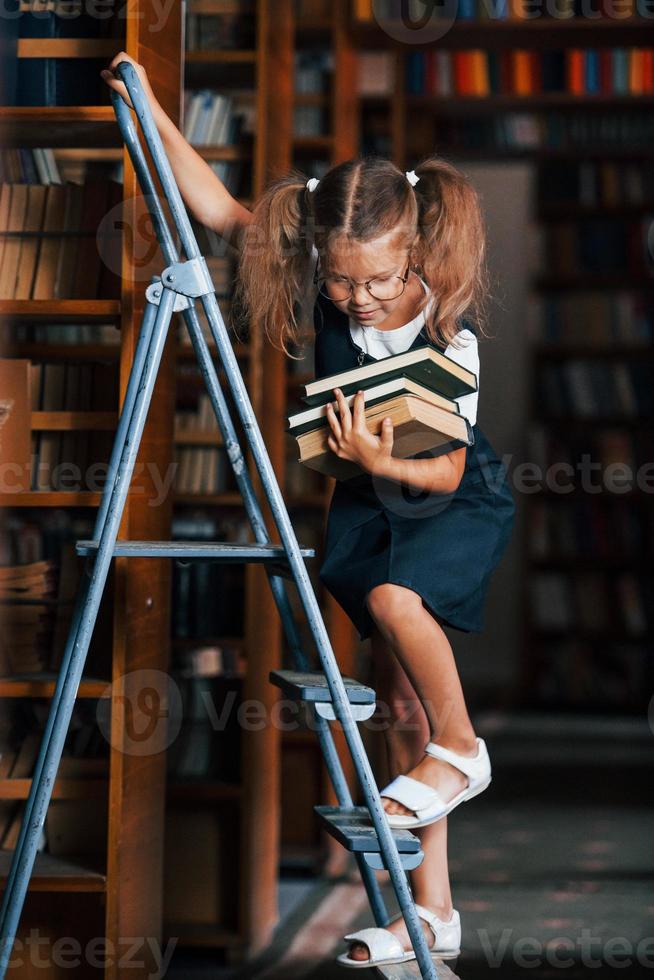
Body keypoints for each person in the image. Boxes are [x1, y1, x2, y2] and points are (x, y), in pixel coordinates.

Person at [101, 54, 516, 970]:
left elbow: (447, 469)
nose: (357, 298)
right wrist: (149, 107)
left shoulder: (450, 331)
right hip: (370, 505)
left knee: (402, 610)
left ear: (414, 254)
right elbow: (216, 207)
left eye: (375, 282)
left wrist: (377, 457)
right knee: (397, 696)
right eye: (339, 284)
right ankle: (433, 909)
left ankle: (465, 746)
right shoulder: (319, 263)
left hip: (450, 500)